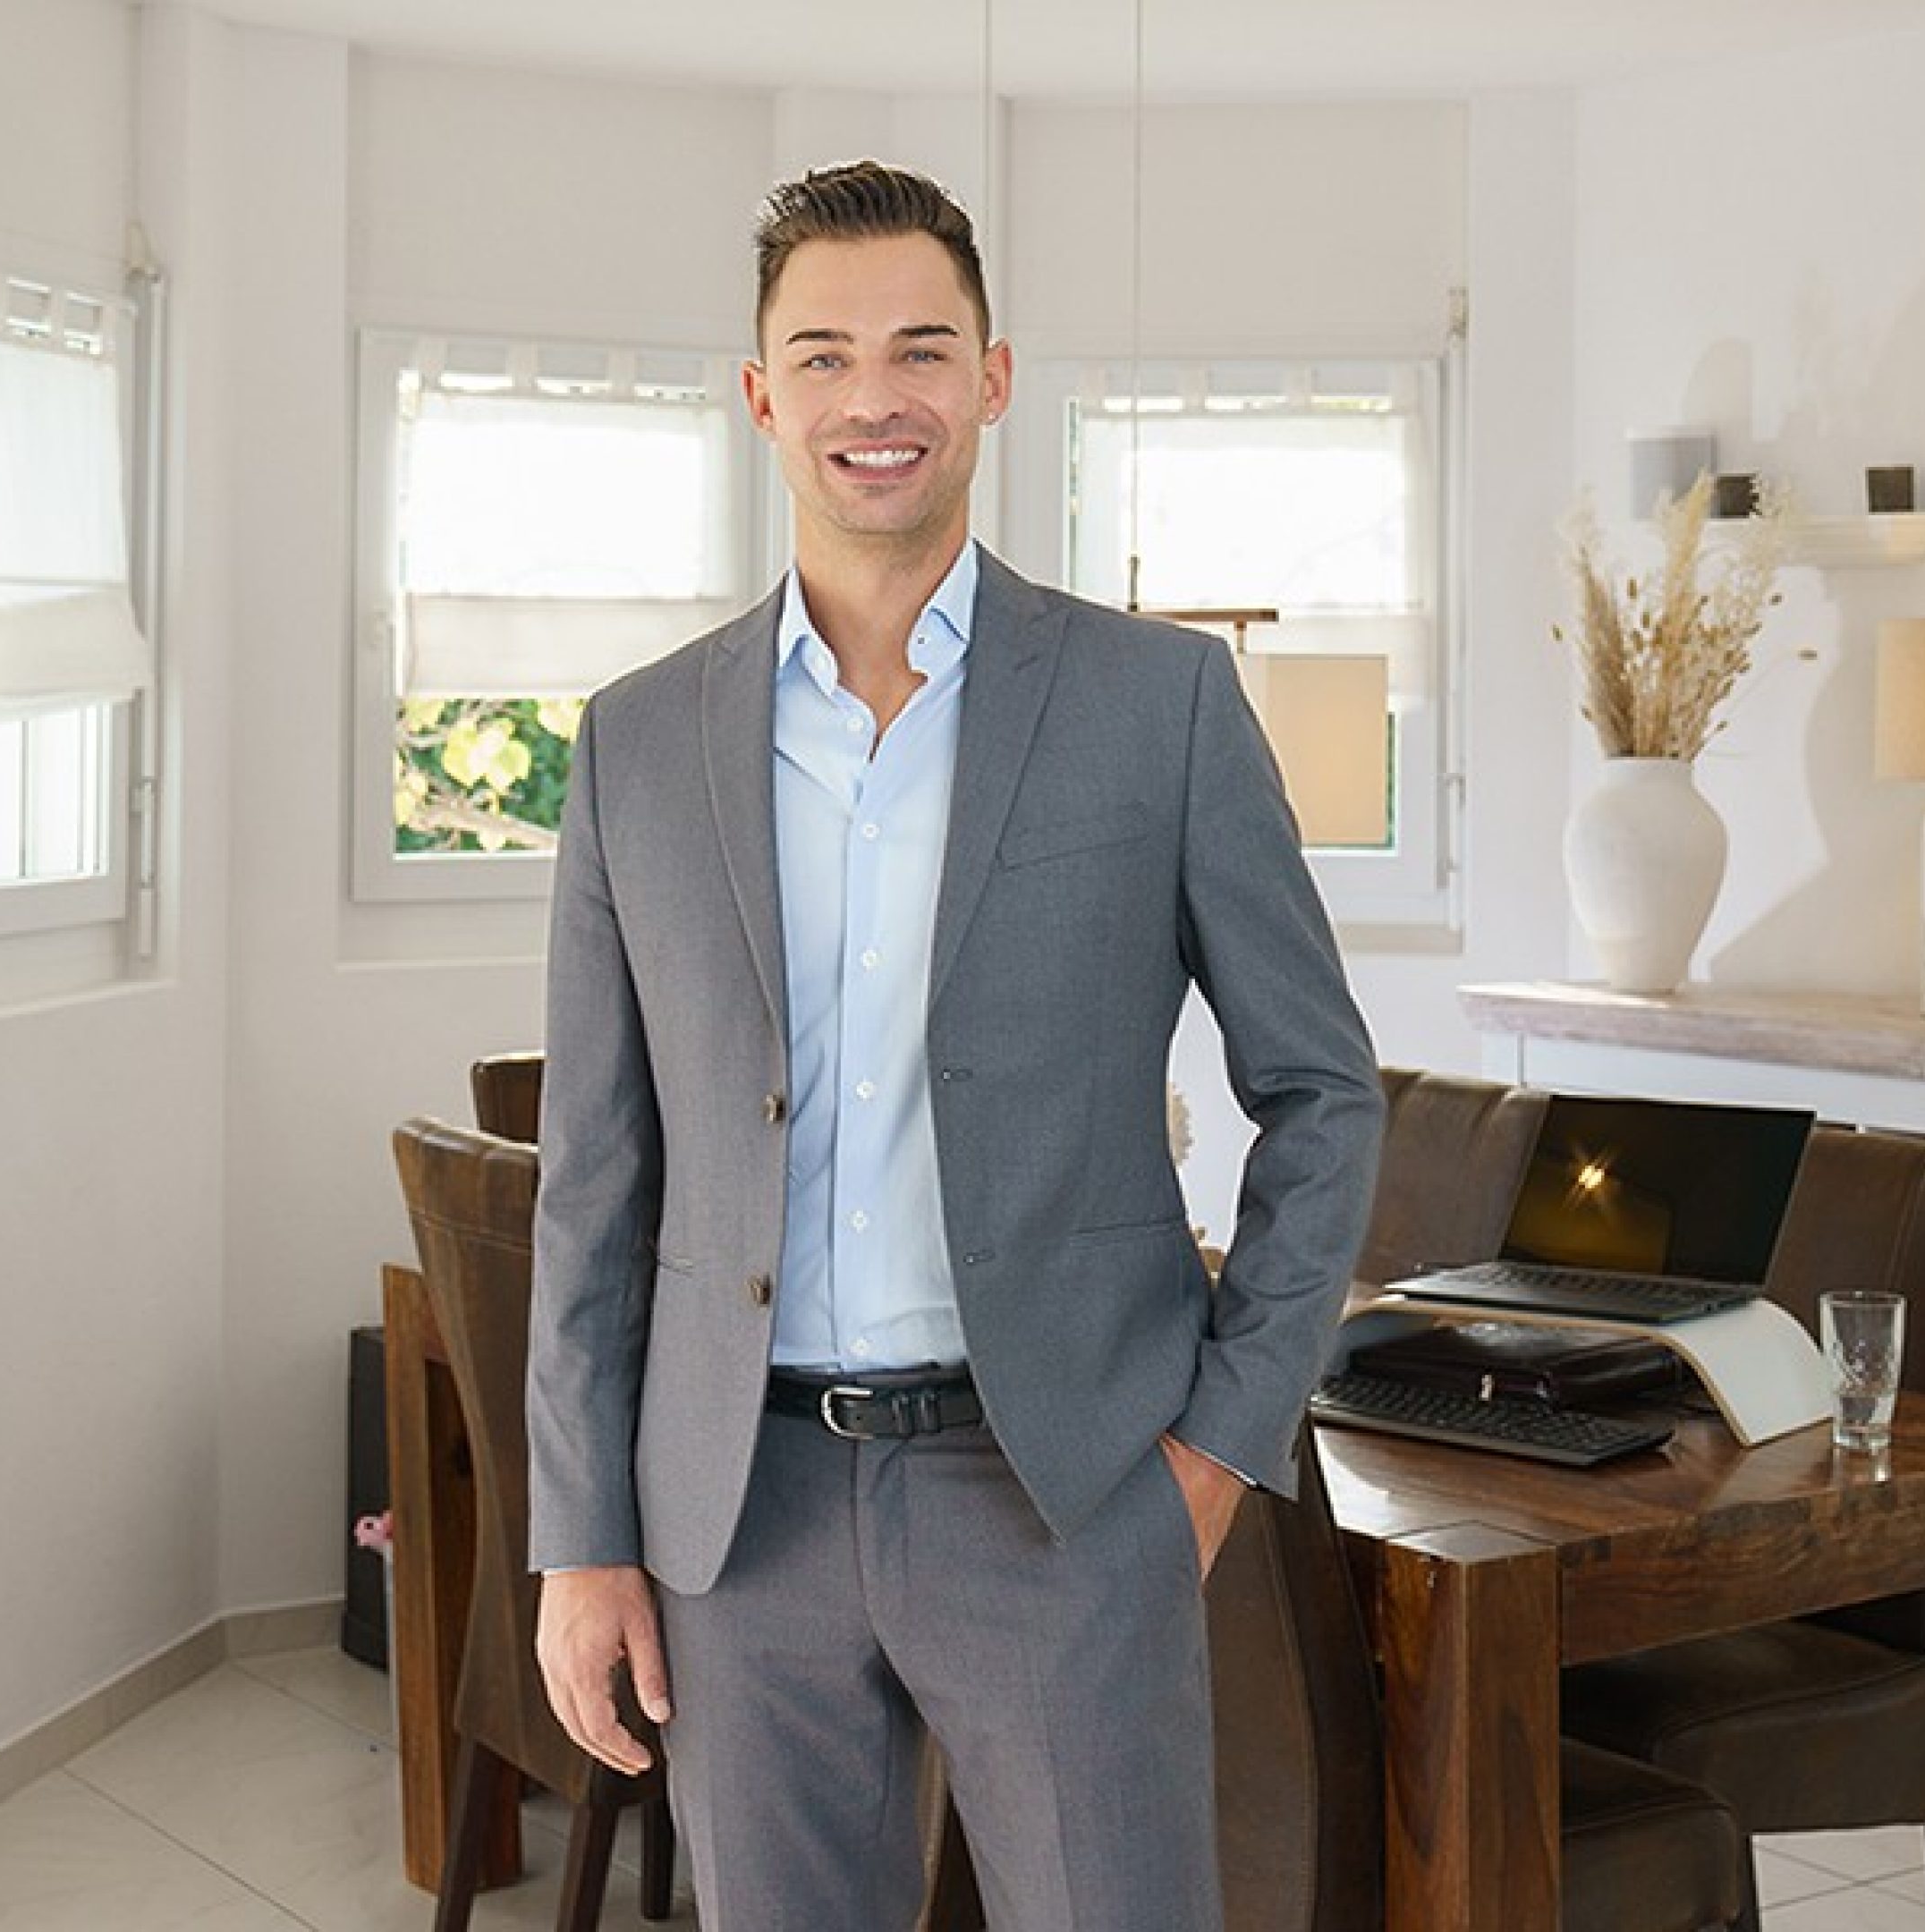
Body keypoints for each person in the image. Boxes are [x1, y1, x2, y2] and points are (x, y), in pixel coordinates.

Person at [522, 159, 1382, 1932]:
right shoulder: (633, 745)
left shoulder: (1163, 705)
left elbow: (1321, 1092)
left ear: (995, 378)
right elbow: (596, 1180)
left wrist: (1222, 1444)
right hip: (738, 1516)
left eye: (922, 348)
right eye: (823, 354)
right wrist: (578, 1535)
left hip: (1062, 1492)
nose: (874, 397)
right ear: (762, 397)